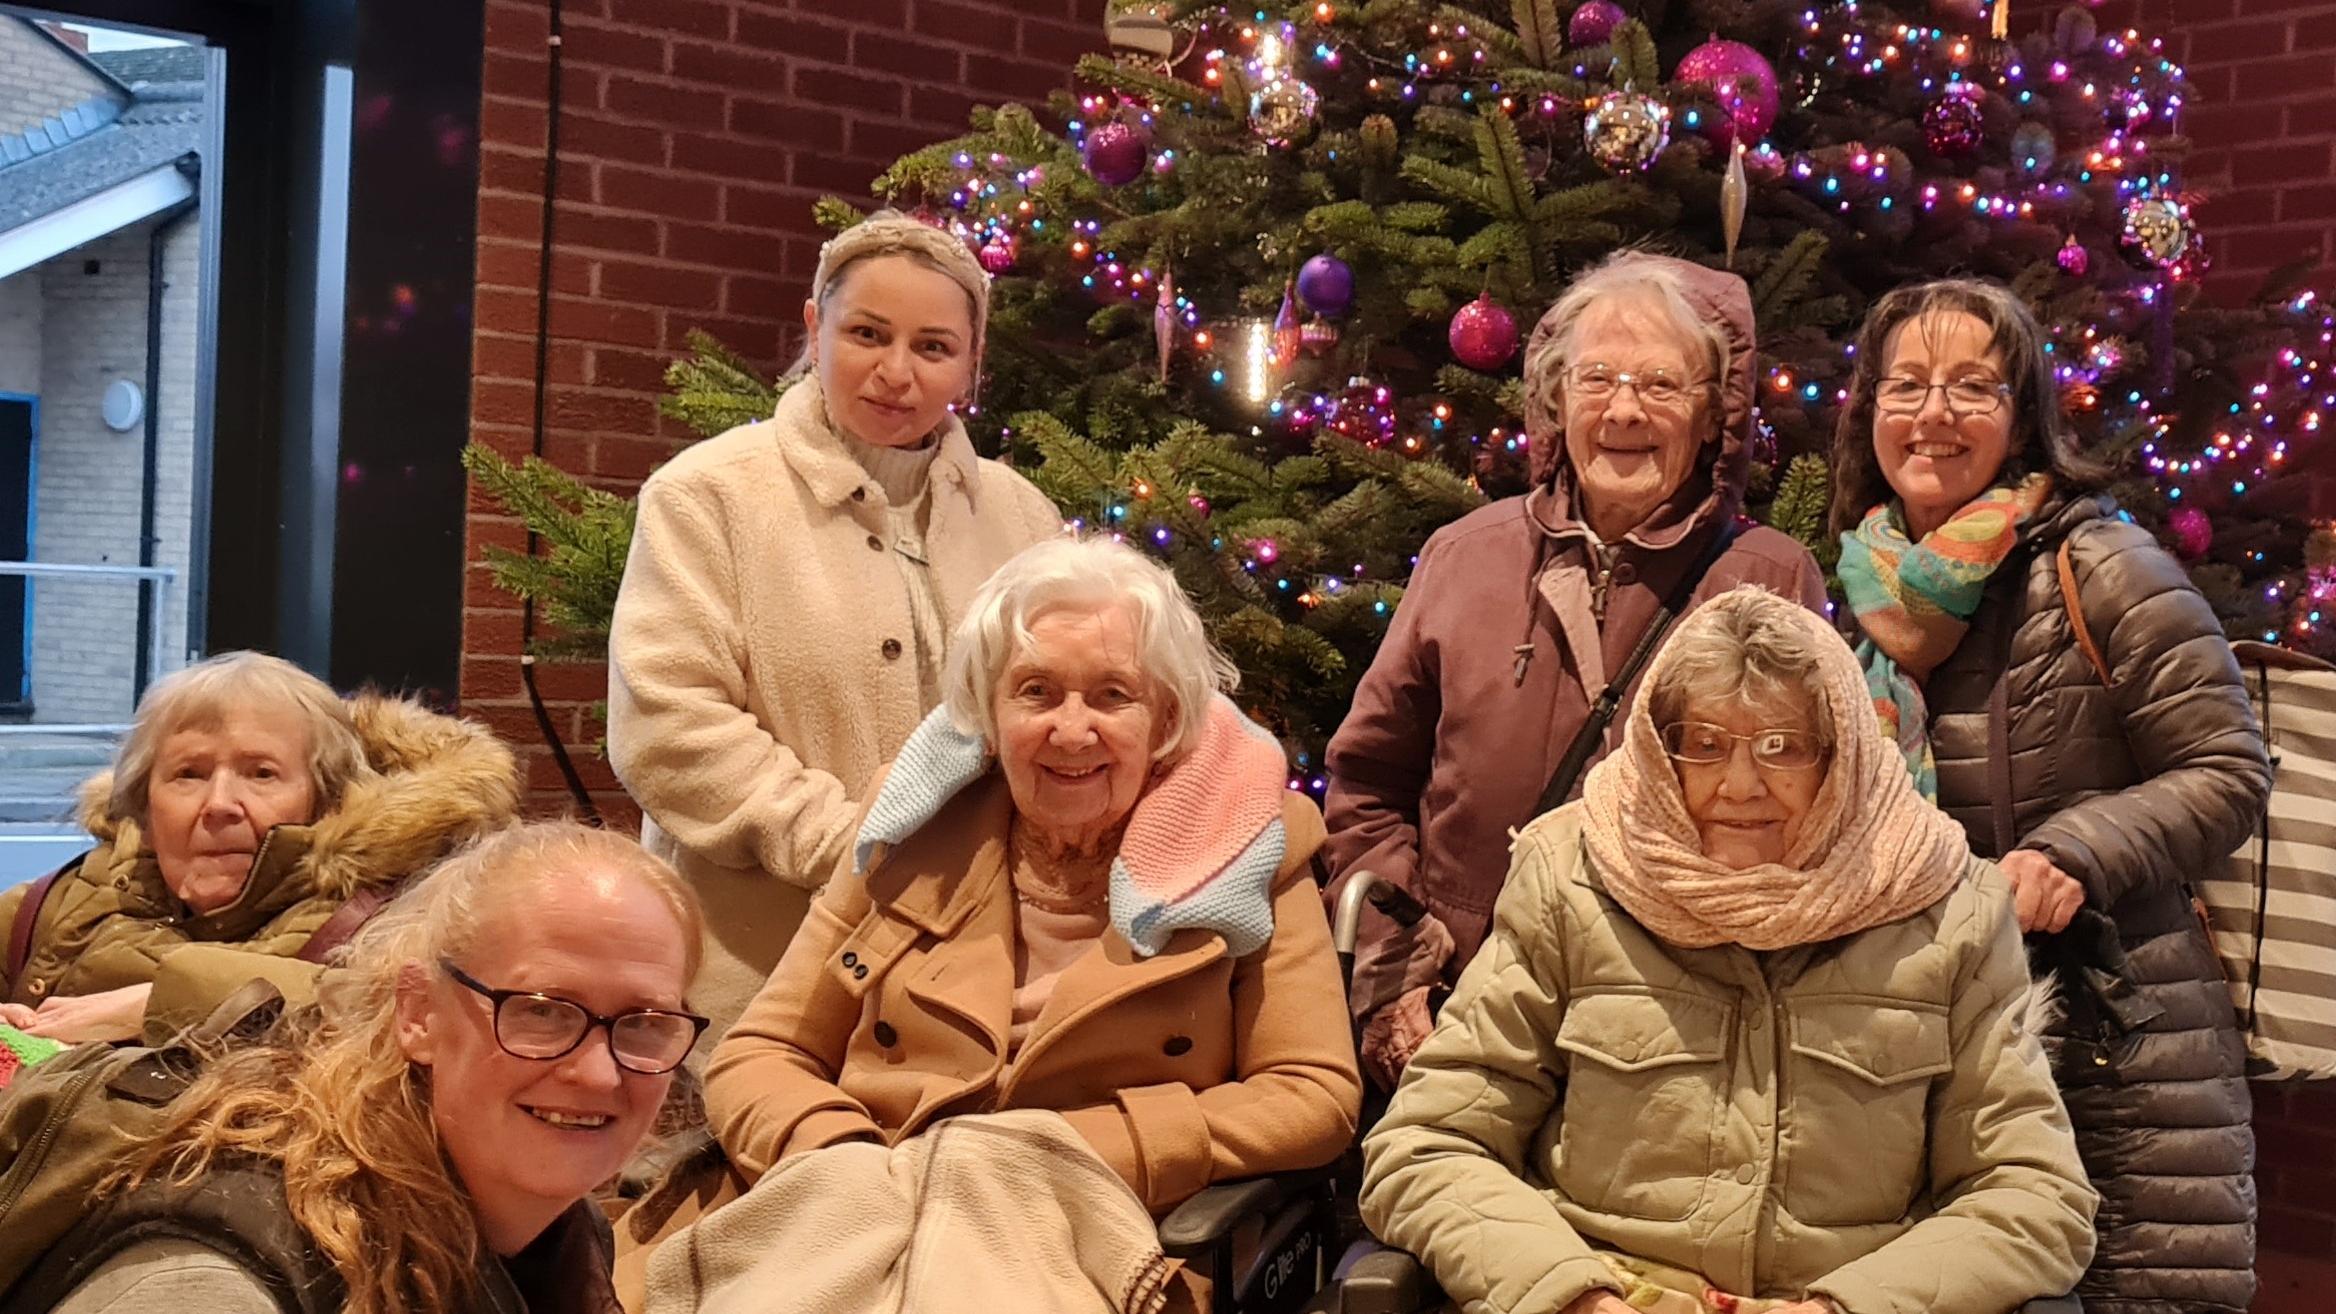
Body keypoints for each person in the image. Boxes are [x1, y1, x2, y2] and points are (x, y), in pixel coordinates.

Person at [1359, 586, 2098, 1314]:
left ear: (1840, 757)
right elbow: (1428, 1144)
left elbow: (2034, 1195)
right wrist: (1571, 1294)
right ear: (1661, 750)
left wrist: (1847, 1307)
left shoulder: (1950, 908)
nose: (1741, 785)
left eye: (1782, 747)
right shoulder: (1570, 877)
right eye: (1704, 745)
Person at [1830, 278, 2270, 1313]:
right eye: (1905, 386)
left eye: (1969, 387)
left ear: (2021, 414)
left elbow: (2227, 769)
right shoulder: (1860, 587)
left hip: (2113, 1040)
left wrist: (2073, 850)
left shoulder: (2100, 564)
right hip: (1929, 1038)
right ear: (1869, 411)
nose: (1932, 414)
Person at [703, 536, 1360, 1221]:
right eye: (1036, 692)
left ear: (1165, 716)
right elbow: (762, 1051)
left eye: (1113, 696)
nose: (1071, 732)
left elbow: (1311, 1096)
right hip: (874, 1200)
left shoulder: (1245, 843)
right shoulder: (908, 830)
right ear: (989, 714)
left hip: (1099, 1226)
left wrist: (1055, 1156)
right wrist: (838, 1158)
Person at [1323, 251, 1829, 1089]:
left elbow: (1804, 817)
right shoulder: (1464, 558)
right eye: (1597, 379)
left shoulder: (1768, 581)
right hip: (1463, 1017)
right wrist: (1393, 976)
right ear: (1557, 402)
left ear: (1713, 418)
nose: (1624, 408)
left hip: (1674, 1038)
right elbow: (1369, 783)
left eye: (1662, 386)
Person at [608, 209, 1063, 1049]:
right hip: (757, 976)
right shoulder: (706, 496)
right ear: (815, 327)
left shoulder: (1026, 518)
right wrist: (853, 847)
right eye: (867, 333)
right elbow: (672, 731)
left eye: (933, 347)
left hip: (974, 972)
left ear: (971, 361)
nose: (897, 372)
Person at [7, 821, 707, 1314]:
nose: (598, 1074)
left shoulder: (554, 1236)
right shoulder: (225, 1271)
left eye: (644, 1024)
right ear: (419, 1014)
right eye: (541, 1010)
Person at [0, 651, 518, 1045]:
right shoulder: (59, 903)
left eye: (261, 773)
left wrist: (162, 1004)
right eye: (188, 774)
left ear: (328, 799)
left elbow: (393, 1015)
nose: (220, 804)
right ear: (143, 802)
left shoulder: (399, 916)